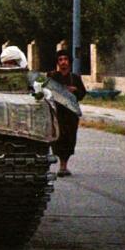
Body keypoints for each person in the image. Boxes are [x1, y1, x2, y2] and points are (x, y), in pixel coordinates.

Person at [46, 49, 87, 177]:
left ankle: (64, 166)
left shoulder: (75, 78)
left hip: (70, 115)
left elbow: (82, 94)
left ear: (69, 62)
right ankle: (56, 162)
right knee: (57, 139)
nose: (63, 62)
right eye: (60, 60)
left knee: (69, 139)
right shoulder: (52, 76)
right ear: (57, 62)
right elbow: (45, 92)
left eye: (65, 59)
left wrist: (74, 90)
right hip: (56, 114)